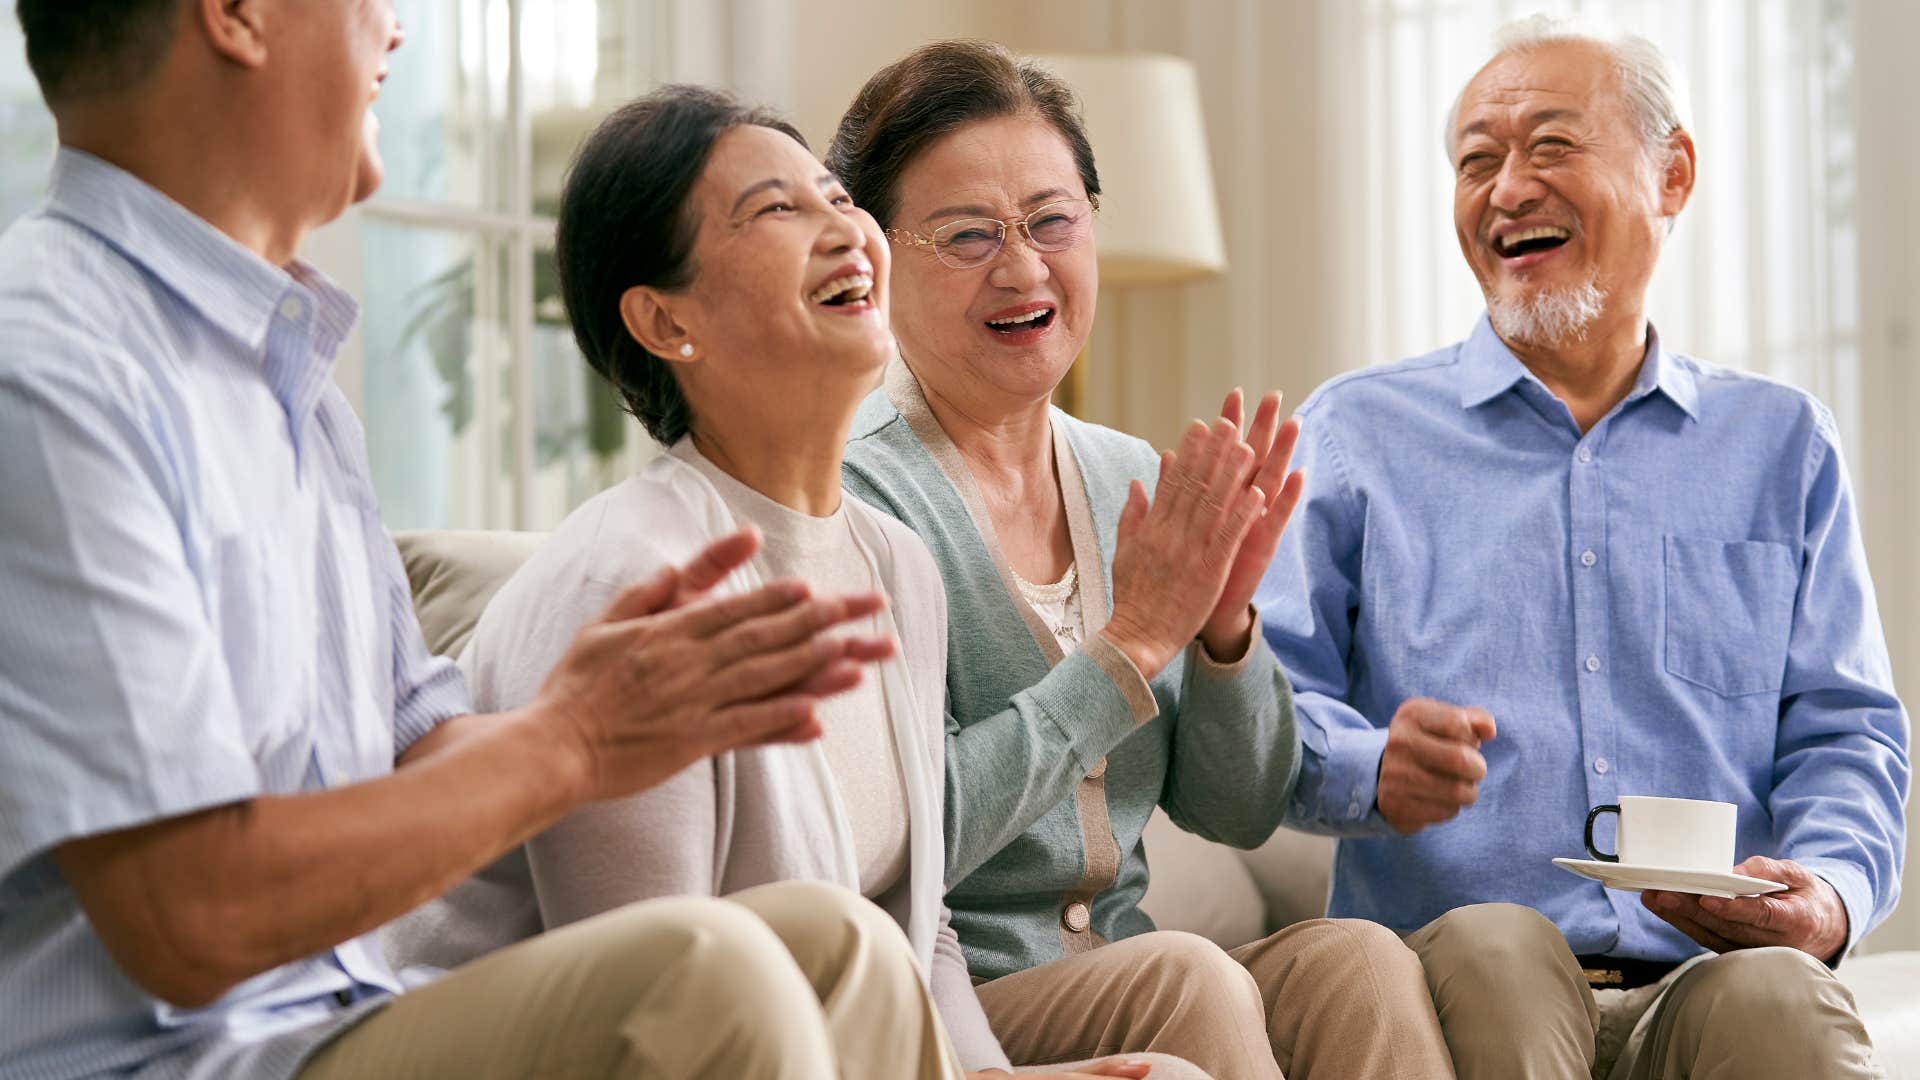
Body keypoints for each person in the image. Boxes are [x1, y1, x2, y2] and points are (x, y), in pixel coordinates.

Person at [0, 3, 968, 1078]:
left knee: (842, 950)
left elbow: (419, 743)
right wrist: (573, 745)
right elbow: (189, 918)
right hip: (165, 1062)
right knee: (715, 975)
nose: (395, 29)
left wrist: (605, 714)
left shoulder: (296, 392)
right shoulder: (50, 372)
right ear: (236, 16)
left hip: (335, 1018)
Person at [386, 84, 1193, 1080]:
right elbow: (666, 995)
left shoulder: (894, 562)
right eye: (777, 209)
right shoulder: (631, 577)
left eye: (834, 196)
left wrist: (987, 1077)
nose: (843, 227)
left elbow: (916, 916)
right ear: (665, 322)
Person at [1256, 15, 1907, 1080]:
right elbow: (1265, 716)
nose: (1508, 187)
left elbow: (1848, 732)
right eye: (1478, 160)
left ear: (1673, 172)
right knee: (1497, 943)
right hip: (1464, 977)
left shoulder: (1781, 443)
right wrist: (1375, 767)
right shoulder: (1355, 436)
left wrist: (1828, 893)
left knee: (1782, 1002)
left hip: (1706, 975)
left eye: (1551, 144)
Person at [828, 39, 1456, 1080]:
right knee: (1185, 979)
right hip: (954, 1006)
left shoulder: (1130, 479)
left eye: (1052, 220)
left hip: (1124, 967)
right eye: (969, 234)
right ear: (878, 258)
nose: (1024, 266)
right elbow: (903, 837)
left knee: (1361, 961)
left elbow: (1240, 809)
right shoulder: (855, 500)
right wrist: (1127, 647)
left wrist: (1223, 635)